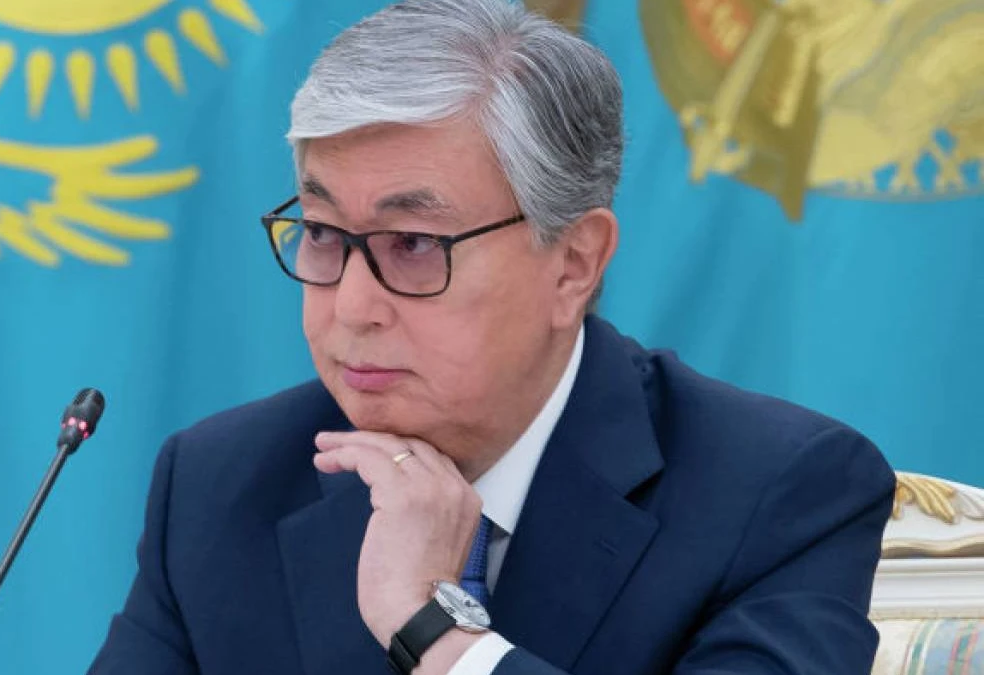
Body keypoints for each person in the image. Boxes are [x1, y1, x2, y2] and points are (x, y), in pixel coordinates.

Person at [88, 0, 896, 673]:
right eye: (325, 233)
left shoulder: (778, 493)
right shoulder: (222, 483)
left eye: (413, 244)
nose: (353, 306)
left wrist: (431, 631)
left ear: (574, 263)